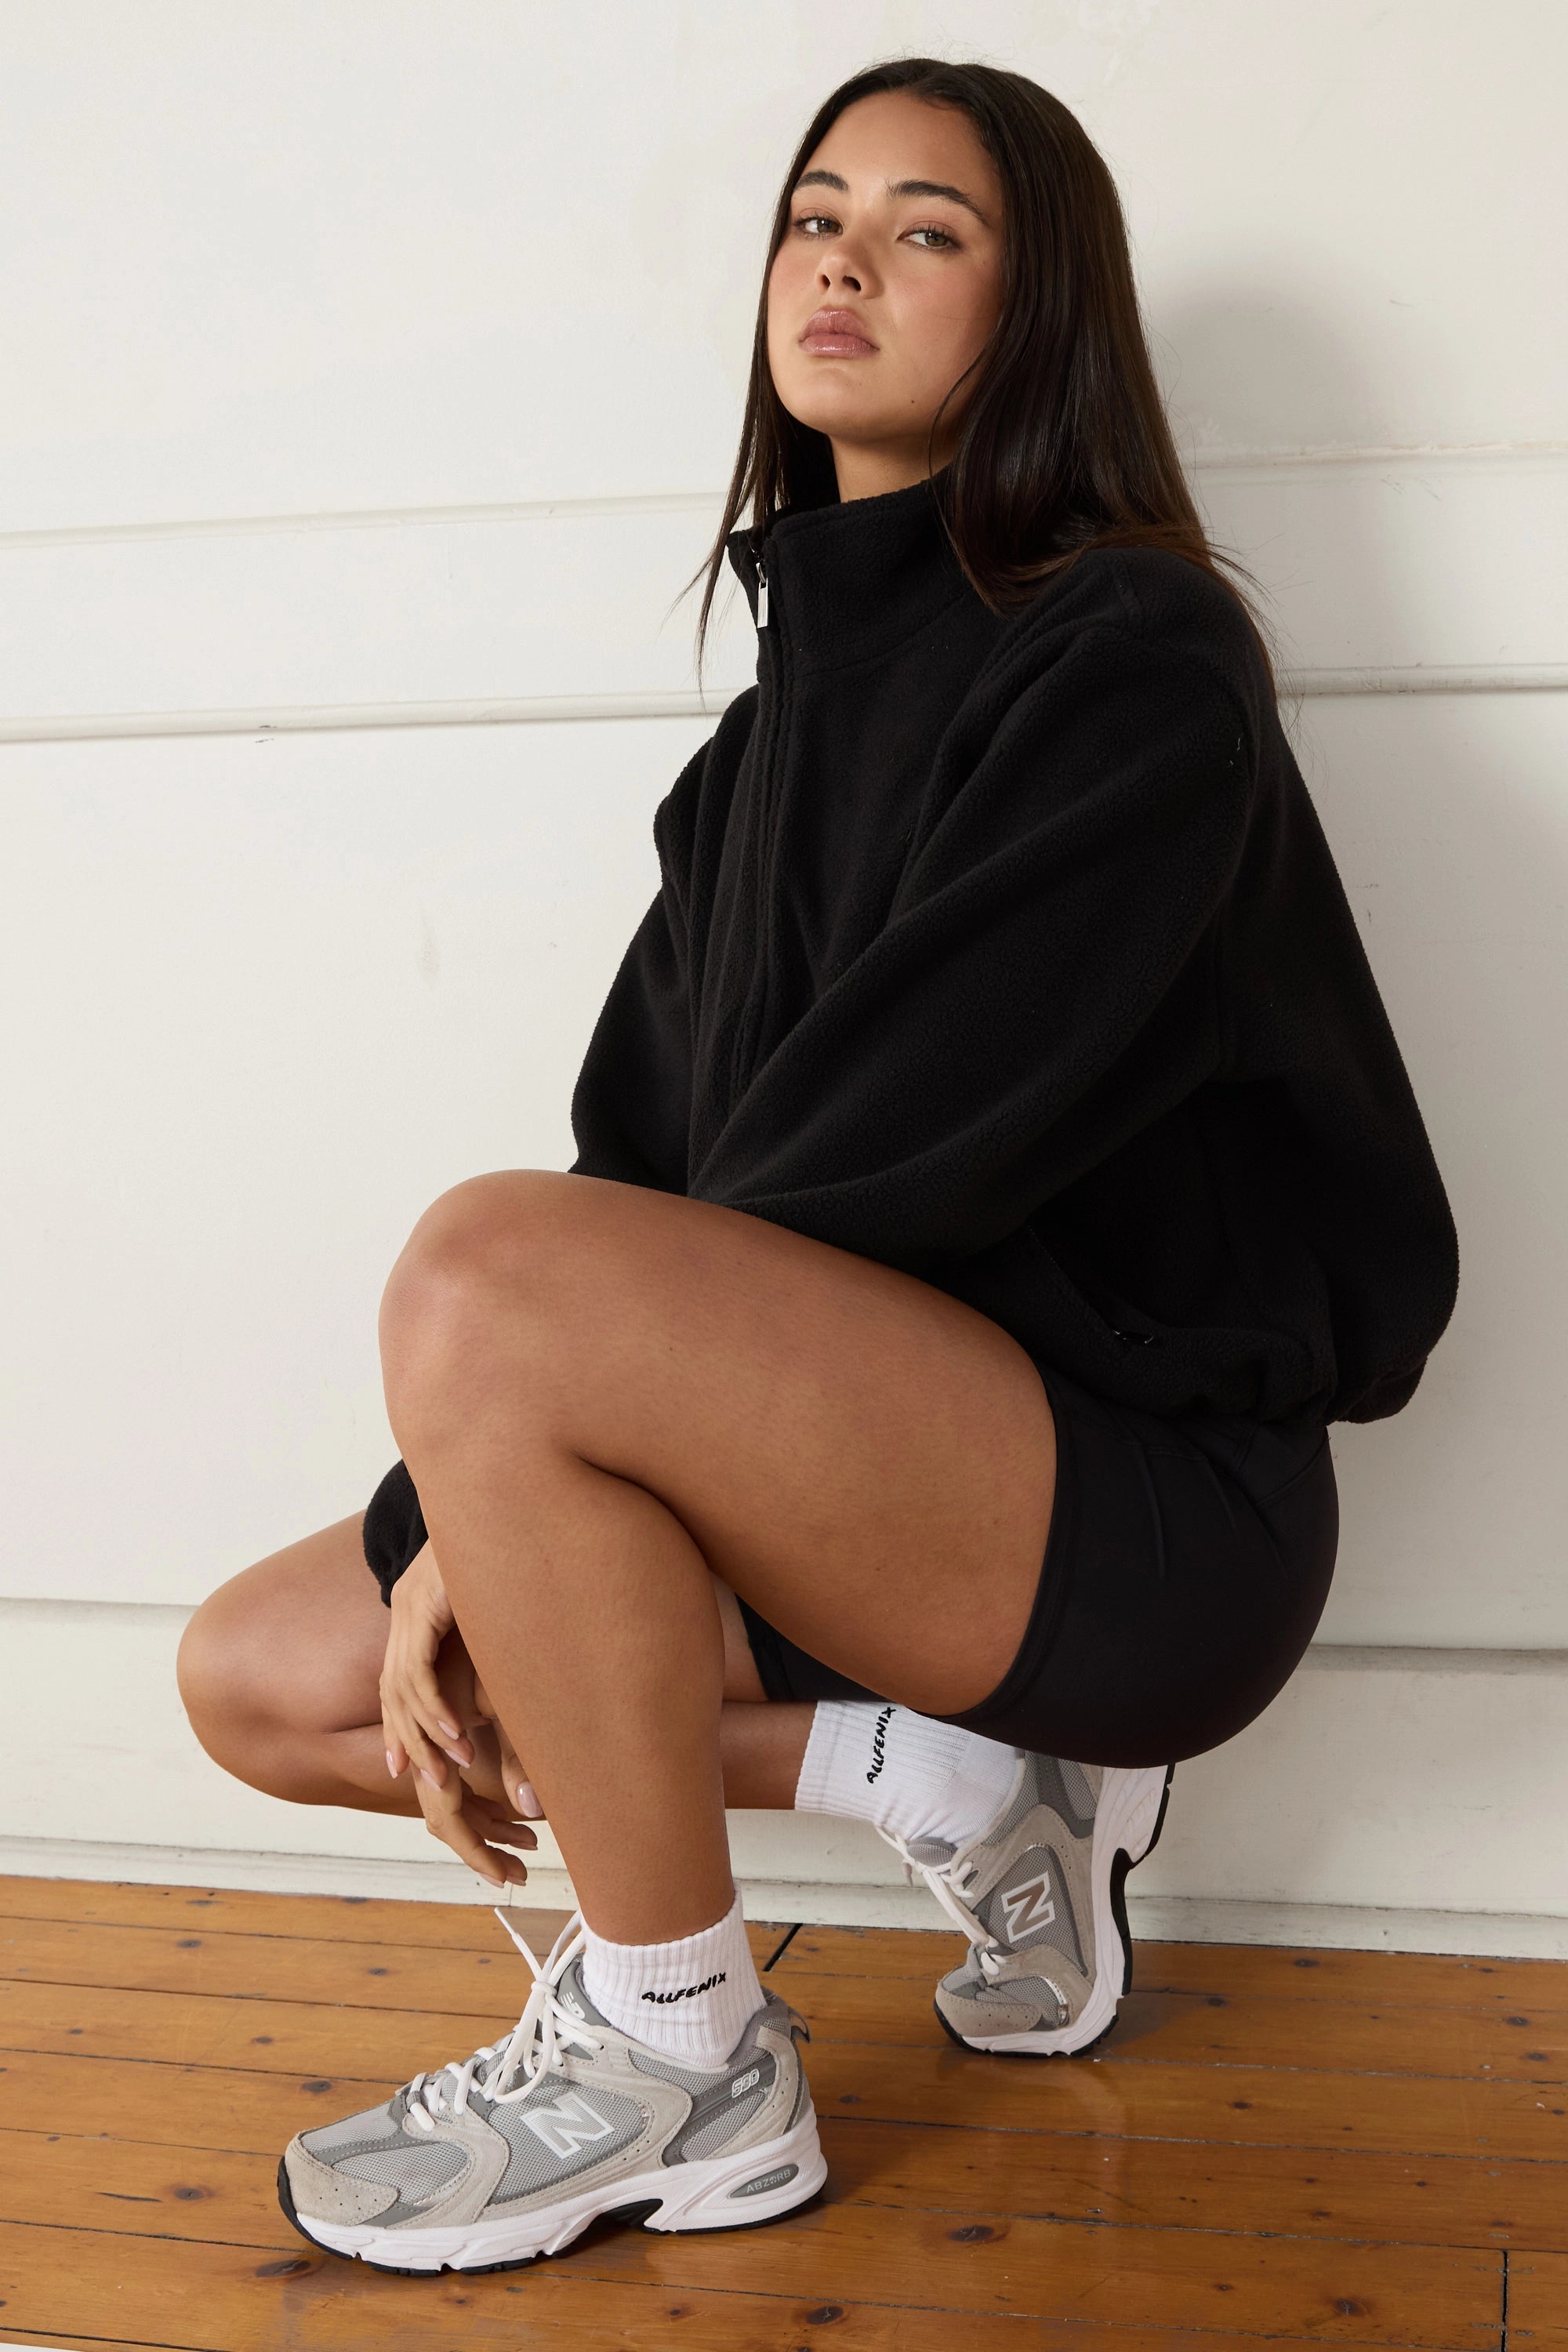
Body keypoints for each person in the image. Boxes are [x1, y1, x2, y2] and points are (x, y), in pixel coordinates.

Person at [176, 56, 1458, 2277]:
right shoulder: (752, 763)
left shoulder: (1139, 658)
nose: (847, 257)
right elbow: (644, 1191)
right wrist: (441, 1535)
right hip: (845, 1514)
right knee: (260, 1676)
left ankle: (681, 2051)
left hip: (1136, 1519)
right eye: (814, 215)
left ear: (1035, 313)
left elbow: (873, 1164)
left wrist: (476, 1502)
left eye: (929, 228)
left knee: (483, 1275)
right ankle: (938, 1782)